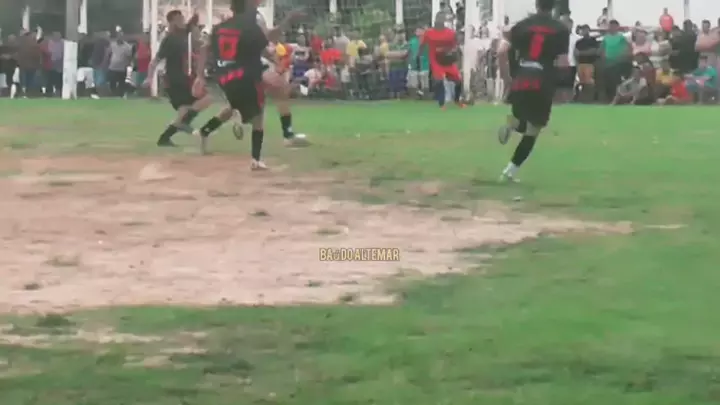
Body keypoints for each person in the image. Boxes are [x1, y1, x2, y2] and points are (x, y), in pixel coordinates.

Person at [191, 0, 302, 165]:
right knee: (270, 97)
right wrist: (288, 21)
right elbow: (267, 38)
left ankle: (205, 130)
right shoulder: (250, 25)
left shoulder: (220, 27)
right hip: (246, 72)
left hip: (224, 76)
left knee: (236, 105)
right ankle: (284, 137)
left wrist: (199, 76)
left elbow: (205, 48)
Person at [496, 0, 570, 182]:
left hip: (522, 77)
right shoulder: (560, 29)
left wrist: (507, 79)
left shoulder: (522, 25)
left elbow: (502, 51)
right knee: (533, 129)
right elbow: (563, 62)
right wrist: (562, 87)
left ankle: (512, 125)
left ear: (536, 4)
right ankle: (509, 172)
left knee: (522, 118)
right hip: (543, 79)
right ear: (554, 6)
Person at [144, 10, 210, 147]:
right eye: (179, 19)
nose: (182, 21)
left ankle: (171, 133)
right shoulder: (169, 39)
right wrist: (149, 78)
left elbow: (191, 24)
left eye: (182, 18)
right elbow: (156, 60)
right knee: (186, 110)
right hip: (174, 81)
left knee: (201, 102)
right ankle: (180, 128)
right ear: (172, 22)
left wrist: (196, 15)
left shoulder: (183, 34)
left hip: (186, 79)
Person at [422, 16, 464, 108]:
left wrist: (452, 52)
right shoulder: (428, 33)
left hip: (447, 60)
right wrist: (419, 54)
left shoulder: (450, 33)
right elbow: (422, 44)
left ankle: (457, 100)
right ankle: (442, 103)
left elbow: (454, 46)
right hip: (436, 60)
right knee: (439, 81)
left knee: (458, 81)